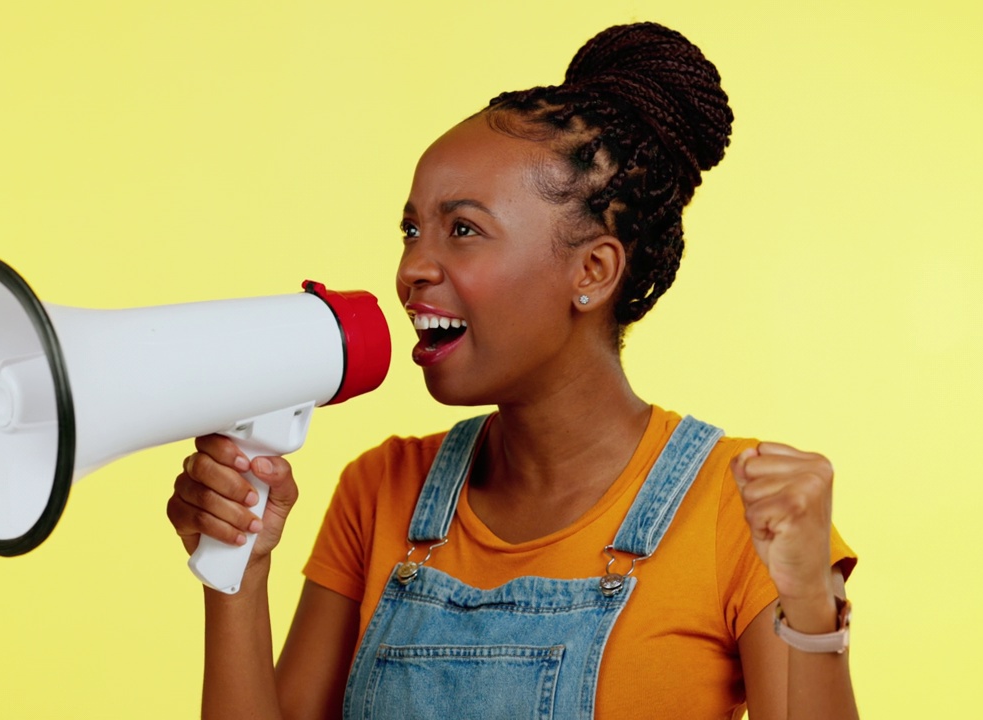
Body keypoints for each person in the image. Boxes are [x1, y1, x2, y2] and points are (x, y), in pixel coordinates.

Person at [166, 21, 859, 720]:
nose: (412, 269)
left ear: (592, 270)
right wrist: (238, 573)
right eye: (411, 231)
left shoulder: (744, 515)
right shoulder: (380, 493)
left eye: (462, 229)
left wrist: (807, 605)